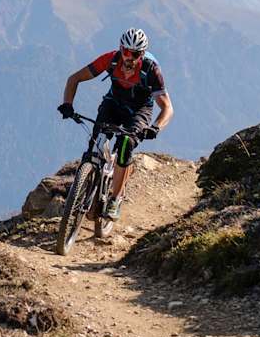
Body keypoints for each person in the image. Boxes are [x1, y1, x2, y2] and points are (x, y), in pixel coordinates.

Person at [57, 28, 174, 221]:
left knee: (126, 144)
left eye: (134, 54)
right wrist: (67, 104)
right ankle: (87, 187)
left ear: (142, 54)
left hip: (139, 110)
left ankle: (115, 198)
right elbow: (74, 79)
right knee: (94, 145)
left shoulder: (151, 70)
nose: (128, 57)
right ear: (120, 49)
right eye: (125, 51)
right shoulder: (111, 59)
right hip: (114, 103)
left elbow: (167, 107)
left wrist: (156, 127)